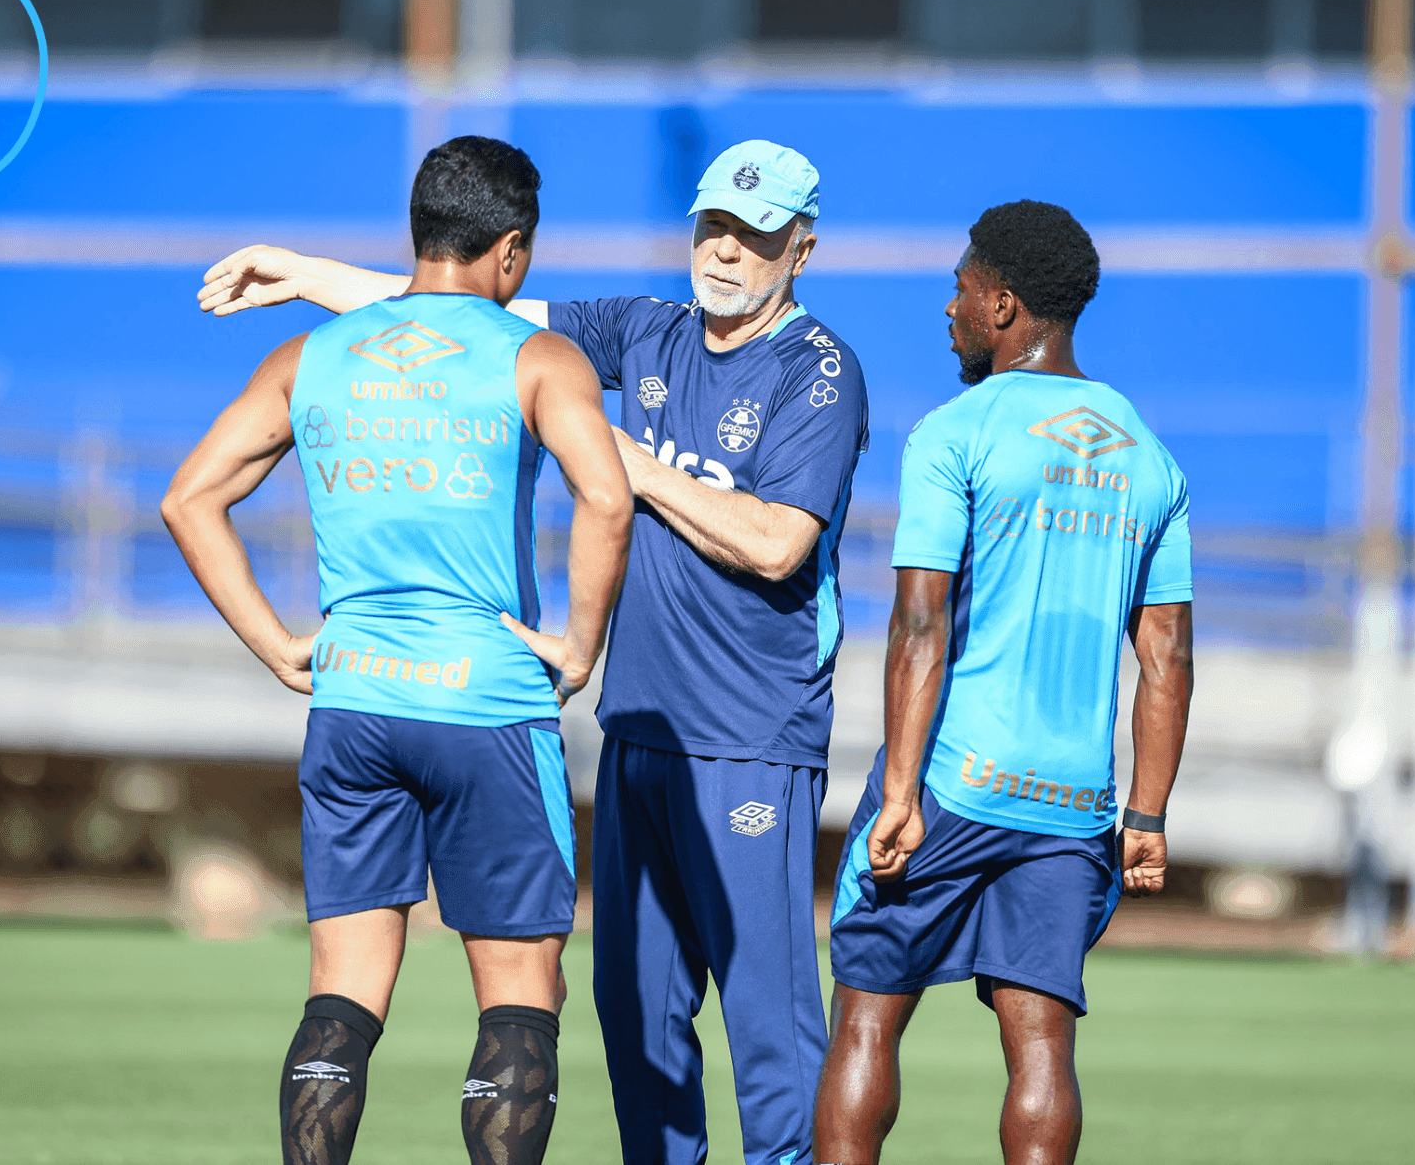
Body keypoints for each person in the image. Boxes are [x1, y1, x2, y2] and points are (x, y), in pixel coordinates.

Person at [198, 139, 868, 1165]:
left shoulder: (818, 371)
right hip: (638, 722)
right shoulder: (647, 329)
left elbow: (778, 544)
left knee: (767, 1025)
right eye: (713, 227)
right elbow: (465, 308)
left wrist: (627, 464)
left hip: (750, 735)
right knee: (636, 1020)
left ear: (802, 250)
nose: (726, 252)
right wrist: (306, 273)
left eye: (755, 235)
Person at [161, 136, 631, 1165]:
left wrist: (277, 646)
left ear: (418, 231)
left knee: (341, 995)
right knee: (520, 995)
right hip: (488, 706)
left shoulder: (310, 357)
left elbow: (189, 497)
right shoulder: (536, 356)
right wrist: (578, 647)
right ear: (513, 250)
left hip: (355, 702)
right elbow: (606, 496)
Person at [811, 200, 1194, 1165]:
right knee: (1042, 1046)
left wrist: (901, 794)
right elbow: (1167, 656)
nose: (949, 309)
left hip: (952, 782)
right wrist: (1146, 816)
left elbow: (919, 625)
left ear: (1004, 305)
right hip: (1073, 804)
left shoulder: (958, 431)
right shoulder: (1149, 456)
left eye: (962, 289)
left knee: (866, 1020)